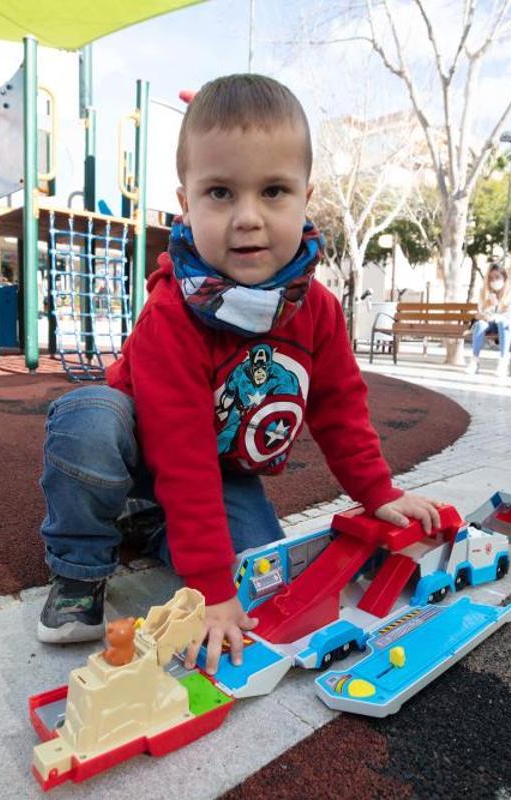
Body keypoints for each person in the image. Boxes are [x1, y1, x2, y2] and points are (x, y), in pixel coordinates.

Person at [36, 74, 446, 676]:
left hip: (218, 470)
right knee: (89, 418)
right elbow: (180, 451)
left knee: (261, 569)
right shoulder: (174, 312)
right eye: (221, 193)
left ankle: (147, 523)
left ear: (306, 197)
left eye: (273, 191)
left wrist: (379, 492)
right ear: (187, 202)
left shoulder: (317, 310)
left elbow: (340, 409)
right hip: (143, 450)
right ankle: (80, 565)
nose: (248, 217)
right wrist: (209, 589)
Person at [466, 263, 511, 377]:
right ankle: (474, 361)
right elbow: (480, 312)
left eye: (497, 277)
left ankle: (503, 362)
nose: (494, 281)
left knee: (502, 323)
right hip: (489, 323)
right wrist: (487, 305)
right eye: (491, 278)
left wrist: (498, 309)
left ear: (504, 277)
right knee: (480, 324)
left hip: (505, 324)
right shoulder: (484, 292)